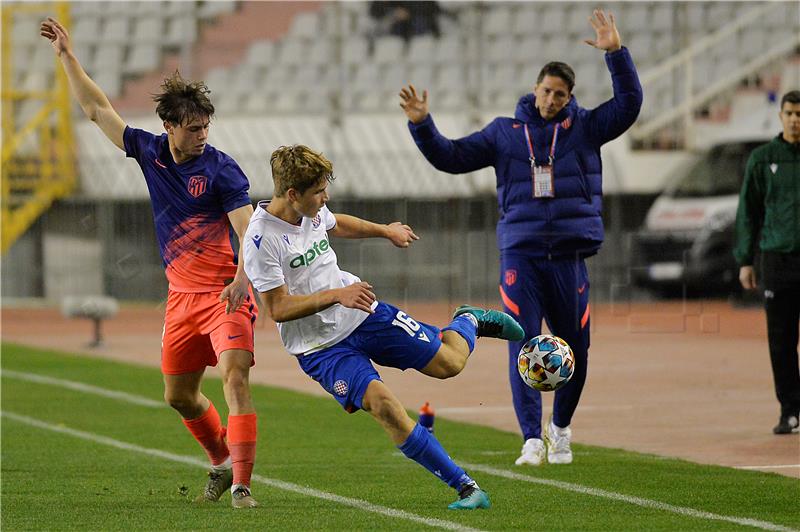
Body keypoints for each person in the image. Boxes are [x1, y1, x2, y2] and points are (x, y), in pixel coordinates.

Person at [399, 9, 642, 466]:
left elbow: (629, 104)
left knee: (576, 347)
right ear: (535, 90)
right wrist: (422, 125)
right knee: (523, 342)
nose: (552, 99)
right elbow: (451, 157)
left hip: (569, 255)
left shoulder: (586, 128)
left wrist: (616, 53)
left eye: (561, 94)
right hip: (521, 254)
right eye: (546, 91)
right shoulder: (504, 134)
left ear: (570, 97)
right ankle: (531, 438)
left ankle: (561, 430)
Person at [41, 18, 261, 507]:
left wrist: (244, 277)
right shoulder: (150, 152)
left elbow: (249, 228)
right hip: (181, 298)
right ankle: (223, 463)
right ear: (169, 127)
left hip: (227, 291)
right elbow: (98, 111)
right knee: (178, 397)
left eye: (206, 126)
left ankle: (243, 485)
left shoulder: (222, 169)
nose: (202, 134)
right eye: (193, 127)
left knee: (234, 377)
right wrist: (67, 58)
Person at [242, 144, 524, 510]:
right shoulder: (261, 239)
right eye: (319, 192)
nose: (325, 197)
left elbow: (335, 221)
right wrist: (335, 295)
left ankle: (468, 319)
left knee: (450, 364)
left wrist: (385, 230)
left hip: (363, 313)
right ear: (292, 194)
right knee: (384, 405)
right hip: (320, 348)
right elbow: (277, 308)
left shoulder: (310, 209)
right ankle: (468, 488)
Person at [734, 90, 800, 435]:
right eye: (789, 113)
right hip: (777, 259)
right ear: (780, 116)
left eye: (799, 114)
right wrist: (746, 260)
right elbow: (749, 212)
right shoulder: (763, 159)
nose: (794, 119)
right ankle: (790, 410)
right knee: (781, 339)